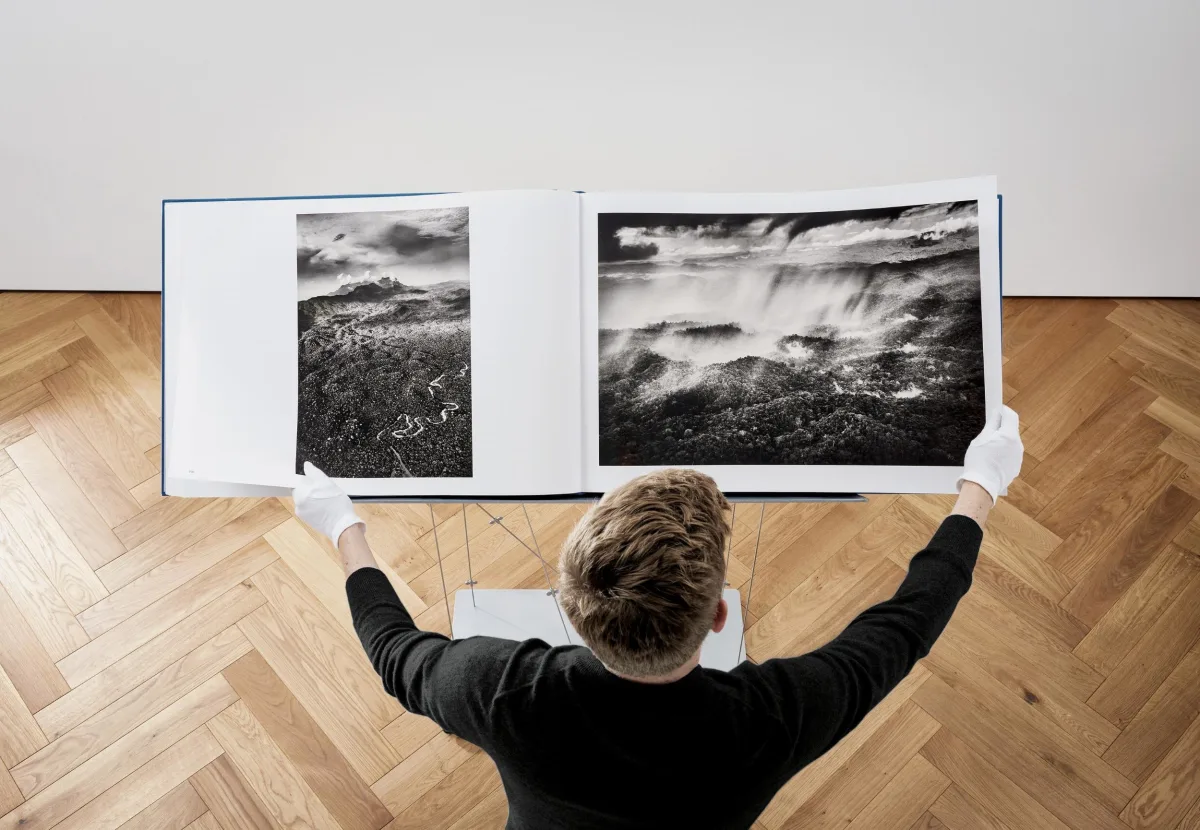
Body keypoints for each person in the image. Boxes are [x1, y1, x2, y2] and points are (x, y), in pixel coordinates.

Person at [294, 407, 1023, 830]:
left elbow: (392, 650)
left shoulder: (500, 691)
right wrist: (978, 488)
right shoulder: (773, 721)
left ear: (571, 614)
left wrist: (344, 529)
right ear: (716, 617)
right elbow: (904, 626)